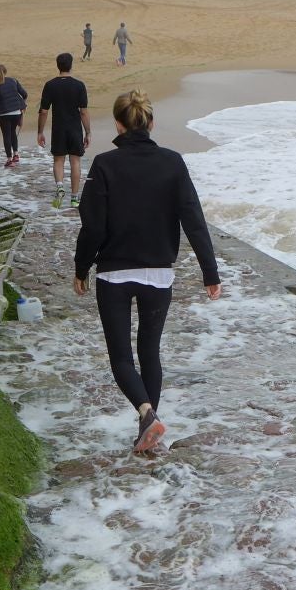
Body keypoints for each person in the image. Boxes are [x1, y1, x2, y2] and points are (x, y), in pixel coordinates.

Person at [72, 90, 221, 453]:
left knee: (122, 358)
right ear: (151, 123)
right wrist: (210, 272)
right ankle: (148, 428)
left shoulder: (104, 165)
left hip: (114, 275)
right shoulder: (173, 163)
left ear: (118, 125)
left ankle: (145, 415)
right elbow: (193, 219)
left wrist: (81, 267)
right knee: (150, 351)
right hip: (158, 274)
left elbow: (92, 226)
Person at [37, 52, 91, 209]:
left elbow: (44, 111)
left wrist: (40, 132)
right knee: (75, 161)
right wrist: (88, 132)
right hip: (75, 129)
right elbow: (83, 111)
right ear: (71, 65)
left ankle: (60, 186)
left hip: (58, 128)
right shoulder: (79, 85)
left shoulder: (50, 85)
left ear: (58, 66)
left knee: (58, 160)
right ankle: (74, 198)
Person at [0, 64, 28, 168]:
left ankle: (9, 160)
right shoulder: (13, 81)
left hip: (3, 113)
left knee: (6, 135)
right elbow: (24, 94)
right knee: (12, 132)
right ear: (5, 71)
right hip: (16, 112)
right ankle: (16, 154)